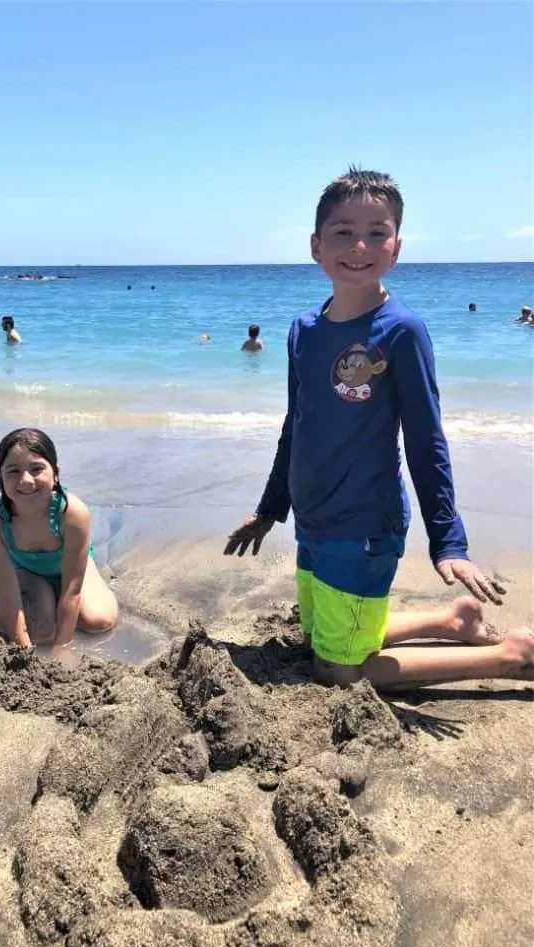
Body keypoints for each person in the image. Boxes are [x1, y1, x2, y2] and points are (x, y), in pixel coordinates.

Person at [224, 166, 534, 691]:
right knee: (319, 635)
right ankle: (450, 623)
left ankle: (508, 656)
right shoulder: (304, 329)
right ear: (316, 245)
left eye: (377, 232)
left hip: (365, 523)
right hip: (314, 516)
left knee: (339, 671)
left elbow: (425, 436)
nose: (360, 245)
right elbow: (294, 425)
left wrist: (448, 542)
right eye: (343, 232)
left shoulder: (402, 332)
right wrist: (271, 507)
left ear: (396, 246)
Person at [0, 427, 118, 658]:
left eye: (36, 469)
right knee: (41, 633)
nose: (25, 480)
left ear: (55, 473)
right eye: (13, 471)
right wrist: (24, 652)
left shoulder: (72, 513)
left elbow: (72, 590)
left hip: (74, 573)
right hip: (26, 571)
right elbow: (9, 596)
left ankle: (53, 597)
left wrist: (62, 649)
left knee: (99, 621)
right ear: (0, 477)